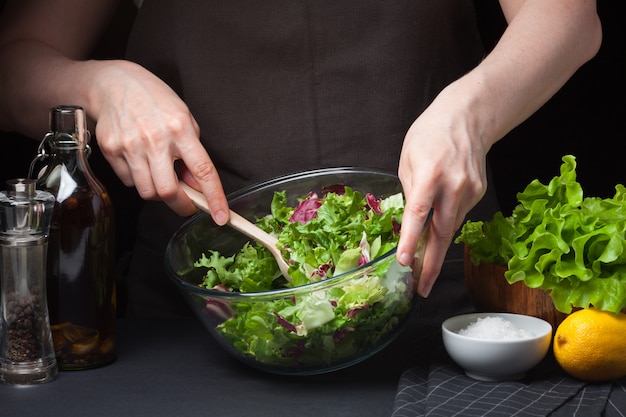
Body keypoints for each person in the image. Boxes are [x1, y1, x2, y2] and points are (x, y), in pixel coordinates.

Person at [0, 0, 602, 317]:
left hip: (425, 293)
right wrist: (101, 87)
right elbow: (15, 64)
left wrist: (473, 110)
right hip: (199, 314)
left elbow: (568, 14)